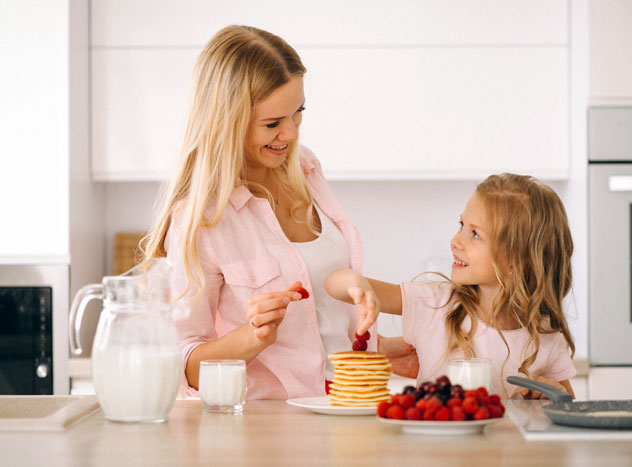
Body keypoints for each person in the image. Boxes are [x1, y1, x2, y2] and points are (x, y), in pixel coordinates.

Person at [141, 25, 412, 400]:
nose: (291, 134)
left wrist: (384, 350)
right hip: (264, 431)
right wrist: (251, 337)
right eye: (272, 124)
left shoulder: (307, 169)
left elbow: (318, 321)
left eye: (298, 113)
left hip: (341, 409)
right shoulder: (202, 219)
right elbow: (181, 364)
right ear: (227, 121)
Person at [325, 173, 577, 399]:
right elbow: (334, 283)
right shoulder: (435, 302)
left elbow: (567, 407)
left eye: (475, 234)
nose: (455, 241)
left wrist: (550, 393)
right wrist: (356, 283)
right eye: (461, 226)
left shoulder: (545, 334)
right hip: (434, 449)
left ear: (517, 261)